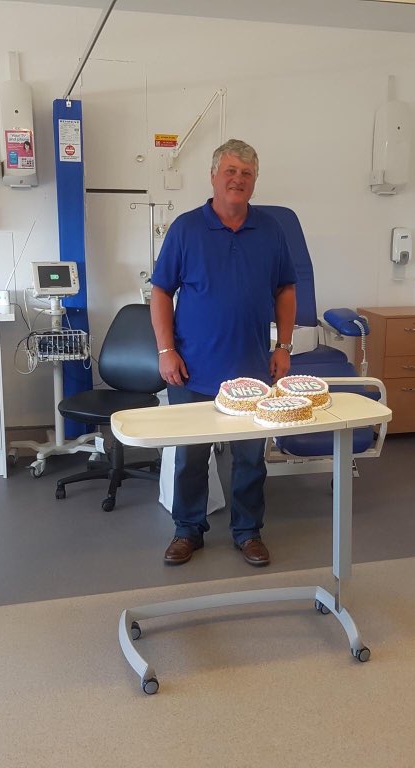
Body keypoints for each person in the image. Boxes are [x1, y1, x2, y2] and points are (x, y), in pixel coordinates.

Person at [150, 139, 297, 567]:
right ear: (214, 176)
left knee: (251, 457)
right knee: (190, 457)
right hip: (191, 370)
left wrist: (284, 347)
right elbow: (161, 291)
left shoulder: (271, 230)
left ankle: (248, 531)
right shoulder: (186, 228)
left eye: (246, 174)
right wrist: (165, 350)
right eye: (230, 171)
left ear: (254, 182)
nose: (238, 180)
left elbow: (286, 288)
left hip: (251, 371)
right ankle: (187, 530)